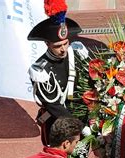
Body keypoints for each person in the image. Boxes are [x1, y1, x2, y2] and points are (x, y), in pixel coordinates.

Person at [28, 2, 89, 146]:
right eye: (57, 46)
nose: (63, 49)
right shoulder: (40, 70)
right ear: (47, 44)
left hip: (81, 115)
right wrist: (80, 127)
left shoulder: (77, 54)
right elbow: (53, 106)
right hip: (57, 123)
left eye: (65, 43)